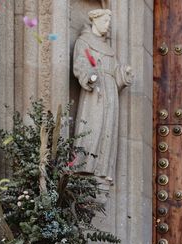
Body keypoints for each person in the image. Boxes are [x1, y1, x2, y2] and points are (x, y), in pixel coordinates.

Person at [73, 9, 133, 184]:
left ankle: (102, 169)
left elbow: (114, 71)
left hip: (110, 93)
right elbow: (80, 63)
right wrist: (89, 76)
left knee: (108, 128)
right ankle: (85, 166)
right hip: (95, 93)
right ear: (95, 21)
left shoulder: (109, 49)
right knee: (93, 125)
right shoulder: (84, 42)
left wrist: (124, 73)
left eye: (109, 22)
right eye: (105, 22)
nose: (108, 26)